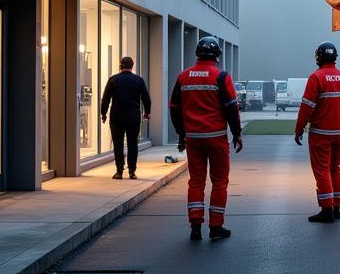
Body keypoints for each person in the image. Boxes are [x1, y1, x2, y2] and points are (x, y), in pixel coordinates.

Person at [169, 36, 243, 241]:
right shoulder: (221, 77)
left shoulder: (183, 77)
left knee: (196, 181)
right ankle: (216, 226)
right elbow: (231, 108)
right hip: (217, 138)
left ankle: (195, 226)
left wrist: (181, 134)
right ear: (218, 55)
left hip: (194, 139)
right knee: (219, 182)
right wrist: (237, 134)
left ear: (197, 54)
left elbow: (174, 109)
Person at [294, 41, 340, 224]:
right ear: (335, 57)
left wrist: (299, 129)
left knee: (322, 170)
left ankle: (326, 209)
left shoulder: (316, 77)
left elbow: (307, 107)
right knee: (335, 168)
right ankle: (336, 207)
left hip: (321, 133)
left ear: (318, 58)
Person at [101, 56, 152, 180]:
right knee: (132, 144)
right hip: (133, 117)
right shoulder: (138, 80)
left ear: (120, 66)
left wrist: (103, 114)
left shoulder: (113, 80)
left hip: (116, 117)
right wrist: (147, 112)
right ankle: (131, 171)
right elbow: (146, 98)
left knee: (118, 144)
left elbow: (106, 98)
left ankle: (119, 171)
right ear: (132, 66)